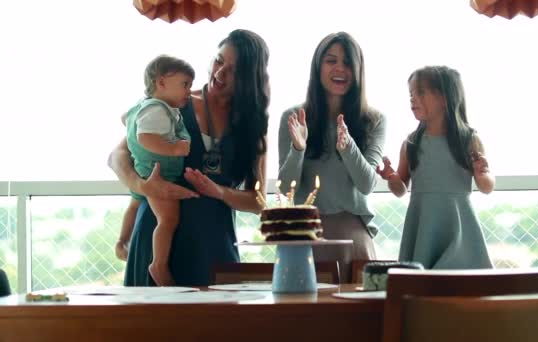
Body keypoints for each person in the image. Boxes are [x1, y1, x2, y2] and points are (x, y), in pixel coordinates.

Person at [108, 29, 270, 286]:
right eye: (218, 61)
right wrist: (141, 185)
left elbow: (258, 201)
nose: (219, 73)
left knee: (214, 326)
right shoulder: (172, 102)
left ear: (250, 78)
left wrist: (218, 191)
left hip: (214, 250)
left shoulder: (252, 126)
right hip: (157, 243)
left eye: (233, 69)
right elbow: (117, 156)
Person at [278, 32, 386, 282]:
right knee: (306, 318)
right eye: (331, 60)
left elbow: (367, 184)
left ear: (358, 70)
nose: (340, 68)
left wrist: (347, 146)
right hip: (306, 235)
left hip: (354, 238)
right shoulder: (293, 117)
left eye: (348, 62)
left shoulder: (374, 120)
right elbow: (285, 188)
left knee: (361, 320)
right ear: (318, 66)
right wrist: (298, 148)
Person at [376, 65, 494, 269]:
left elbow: (486, 187)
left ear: (444, 97)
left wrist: (482, 173)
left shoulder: (469, 140)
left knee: (464, 288)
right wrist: (393, 178)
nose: (412, 98)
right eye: (411, 93)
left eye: (420, 92)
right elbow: (400, 189)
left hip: (459, 225)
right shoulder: (411, 143)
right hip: (423, 224)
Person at [115, 55, 194, 286]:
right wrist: (173, 149)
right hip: (159, 175)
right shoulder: (158, 110)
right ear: (161, 83)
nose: (188, 91)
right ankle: (158, 264)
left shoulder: (142, 107)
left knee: (135, 203)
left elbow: (125, 119)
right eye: (184, 84)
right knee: (168, 219)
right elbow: (146, 138)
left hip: (143, 173)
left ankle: (122, 241)